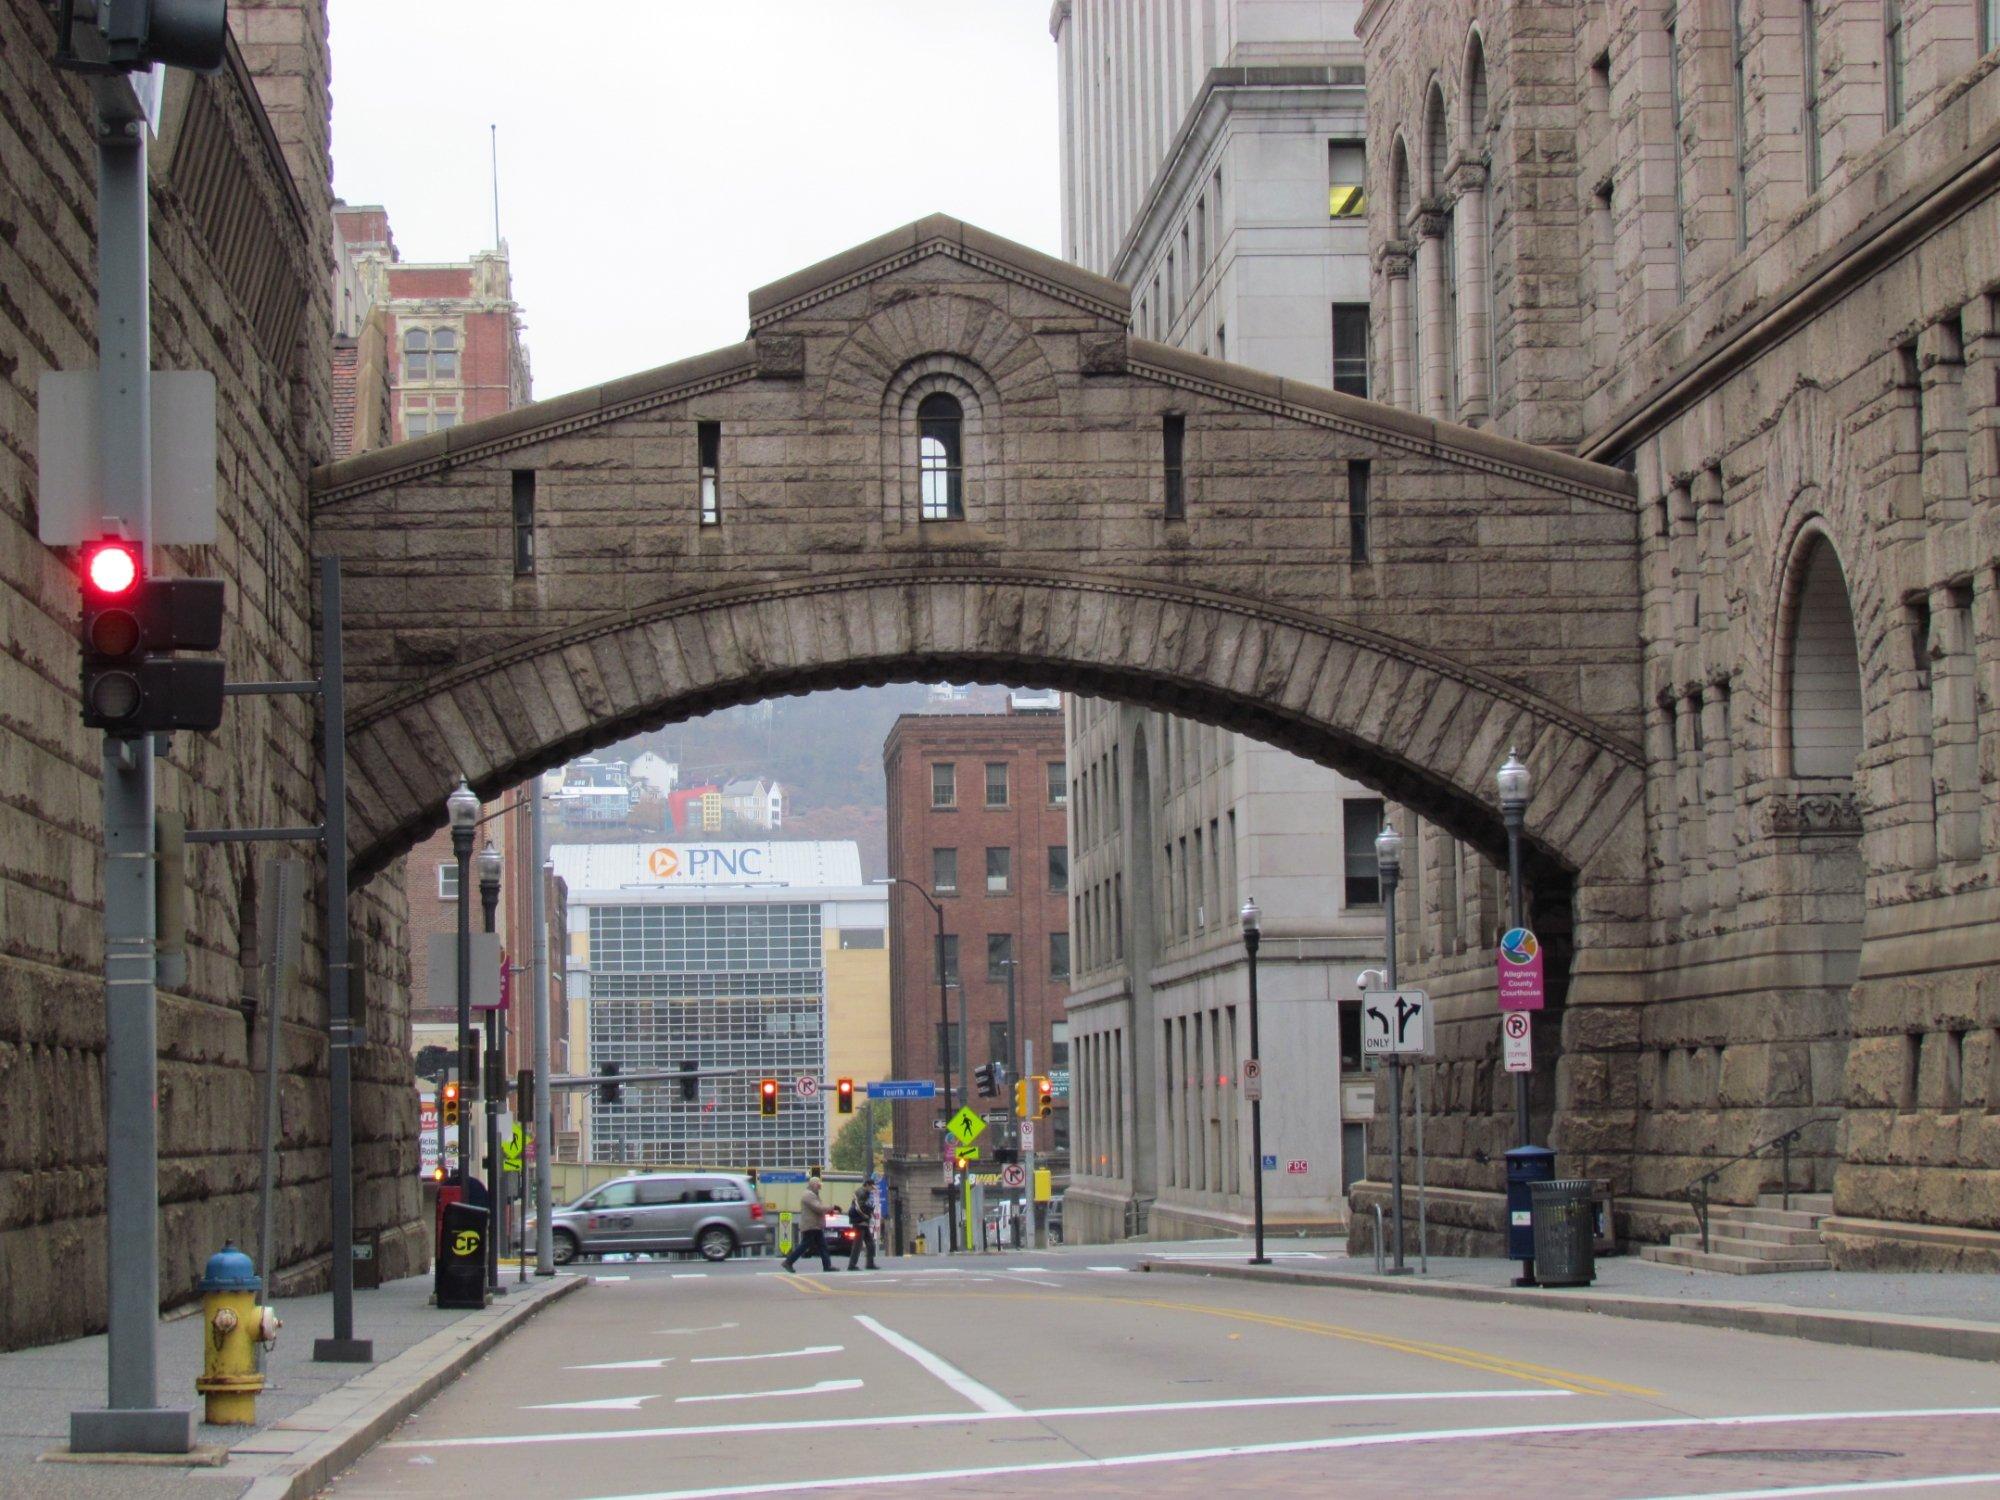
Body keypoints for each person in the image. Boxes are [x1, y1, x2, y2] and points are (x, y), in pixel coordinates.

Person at [782, 1176, 834, 1273]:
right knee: (805, 1245)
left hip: (815, 1225)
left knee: (822, 1246)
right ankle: (788, 1262)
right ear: (814, 1185)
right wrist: (831, 1207)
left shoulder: (812, 1194)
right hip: (811, 1225)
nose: (820, 1188)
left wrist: (829, 1210)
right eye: (819, 1186)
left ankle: (827, 1266)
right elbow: (818, 1208)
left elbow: (819, 1208)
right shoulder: (808, 1195)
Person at [845, 1175, 879, 1271]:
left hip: (862, 1221)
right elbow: (860, 1207)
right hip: (860, 1221)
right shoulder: (862, 1193)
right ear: (867, 1185)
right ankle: (852, 1265)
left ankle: (870, 1263)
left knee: (870, 1243)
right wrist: (867, 1214)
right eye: (871, 1187)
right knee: (858, 1244)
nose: (872, 1189)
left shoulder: (861, 1192)